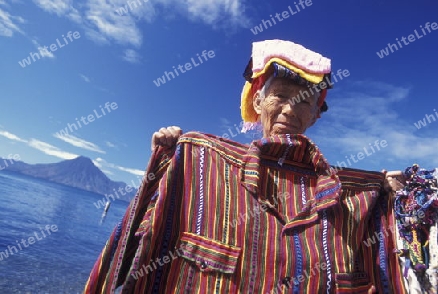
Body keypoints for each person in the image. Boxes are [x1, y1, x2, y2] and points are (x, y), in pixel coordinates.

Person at [84, 40, 407, 293]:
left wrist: (387, 195)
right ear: (257, 103)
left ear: (315, 116)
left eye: (305, 101)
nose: (289, 110)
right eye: (279, 95)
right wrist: (164, 167)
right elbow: (136, 239)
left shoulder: (348, 195)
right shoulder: (199, 165)